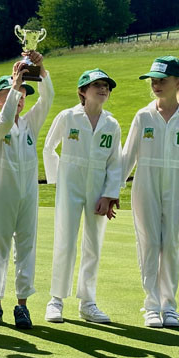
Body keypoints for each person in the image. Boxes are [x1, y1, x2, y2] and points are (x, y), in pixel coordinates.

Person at [122, 56, 179, 328]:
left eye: (162, 80)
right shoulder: (143, 116)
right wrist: (111, 191)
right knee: (149, 244)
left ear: (178, 82)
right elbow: (127, 157)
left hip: (175, 190)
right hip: (145, 188)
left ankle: (169, 307)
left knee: (170, 245)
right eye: (153, 80)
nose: (156, 84)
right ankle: (152, 306)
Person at [43, 69, 122, 324]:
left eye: (106, 86)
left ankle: (88, 303)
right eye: (96, 85)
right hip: (70, 186)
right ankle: (56, 300)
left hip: (97, 190)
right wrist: (59, 181)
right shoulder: (68, 117)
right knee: (65, 241)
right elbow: (49, 147)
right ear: (82, 91)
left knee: (93, 246)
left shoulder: (112, 124)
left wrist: (109, 195)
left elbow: (115, 163)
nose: (103, 89)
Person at [0, 53, 54, 329]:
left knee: (26, 246)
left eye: (24, 93)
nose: (20, 97)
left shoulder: (31, 124)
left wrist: (41, 69)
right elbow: (3, 123)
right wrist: (15, 83)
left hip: (28, 193)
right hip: (2, 192)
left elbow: (48, 99)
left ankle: (22, 306)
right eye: (13, 93)